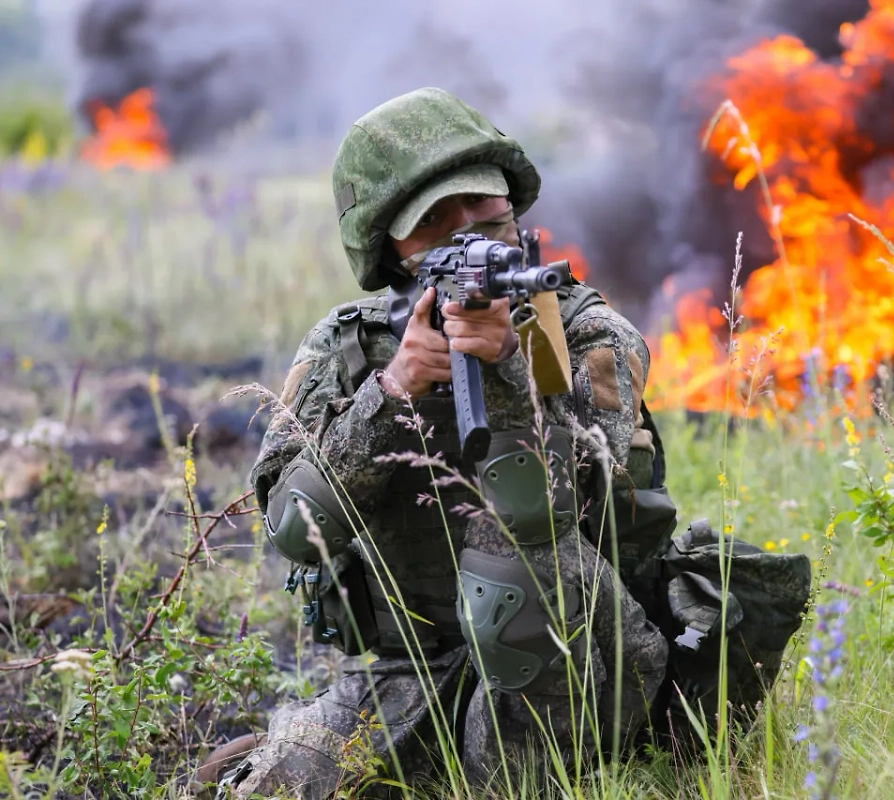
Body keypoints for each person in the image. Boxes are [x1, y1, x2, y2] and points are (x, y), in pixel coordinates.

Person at [214, 87, 680, 799]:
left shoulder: (581, 331)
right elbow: (293, 531)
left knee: (519, 566)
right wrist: (391, 391)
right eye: (433, 218)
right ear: (390, 247)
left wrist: (509, 367)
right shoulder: (347, 348)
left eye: (480, 203)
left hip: (574, 653)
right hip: (411, 667)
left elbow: (574, 501)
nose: (468, 229)